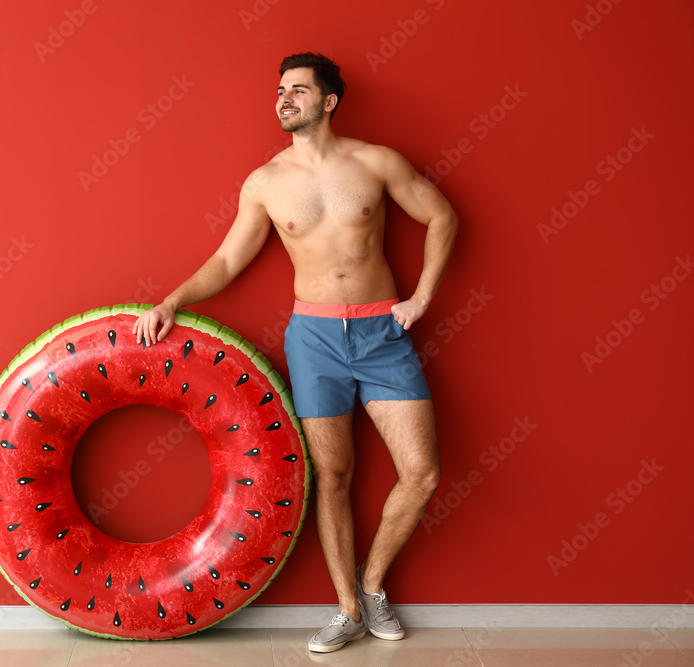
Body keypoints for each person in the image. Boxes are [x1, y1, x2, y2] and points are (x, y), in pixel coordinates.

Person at [132, 52, 458, 654]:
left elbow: (442, 215)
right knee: (332, 475)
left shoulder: (376, 162)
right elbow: (229, 259)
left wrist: (421, 297)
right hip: (313, 339)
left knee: (423, 473)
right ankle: (346, 609)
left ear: (328, 101)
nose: (284, 98)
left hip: (382, 334)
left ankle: (374, 583)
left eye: (299, 90)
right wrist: (171, 300)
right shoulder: (265, 182)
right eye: (280, 89)